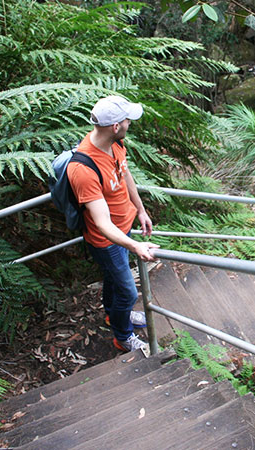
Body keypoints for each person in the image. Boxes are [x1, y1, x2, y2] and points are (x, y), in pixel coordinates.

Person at [68, 95, 159, 352]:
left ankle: (114, 314)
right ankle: (122, 335)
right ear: (115, 126)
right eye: (127, 119)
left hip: (124, 229)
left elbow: (125, 173)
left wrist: (140, 210)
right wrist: (135, 246)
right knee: (129, 293)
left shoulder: (115, 144)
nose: (130, 122)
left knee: (113, 278)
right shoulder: (83, 169)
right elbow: (101, 224)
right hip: (107, 241)